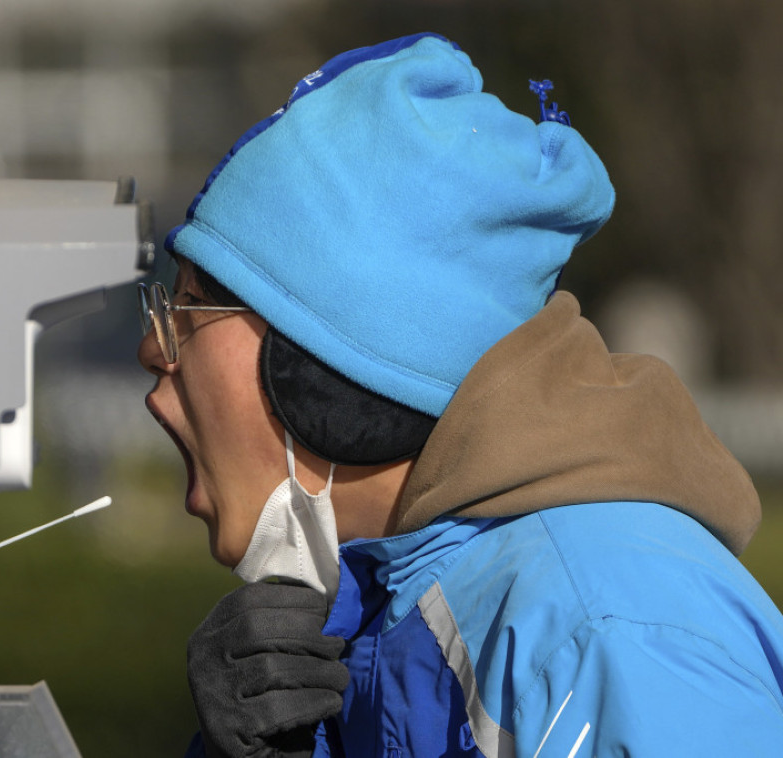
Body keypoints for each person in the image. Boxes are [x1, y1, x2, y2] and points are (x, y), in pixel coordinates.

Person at [136, 33, 783, 757]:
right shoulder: (396, 605)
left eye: (188, 307)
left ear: (326, 363)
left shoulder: (604, 629)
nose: (152, 349)